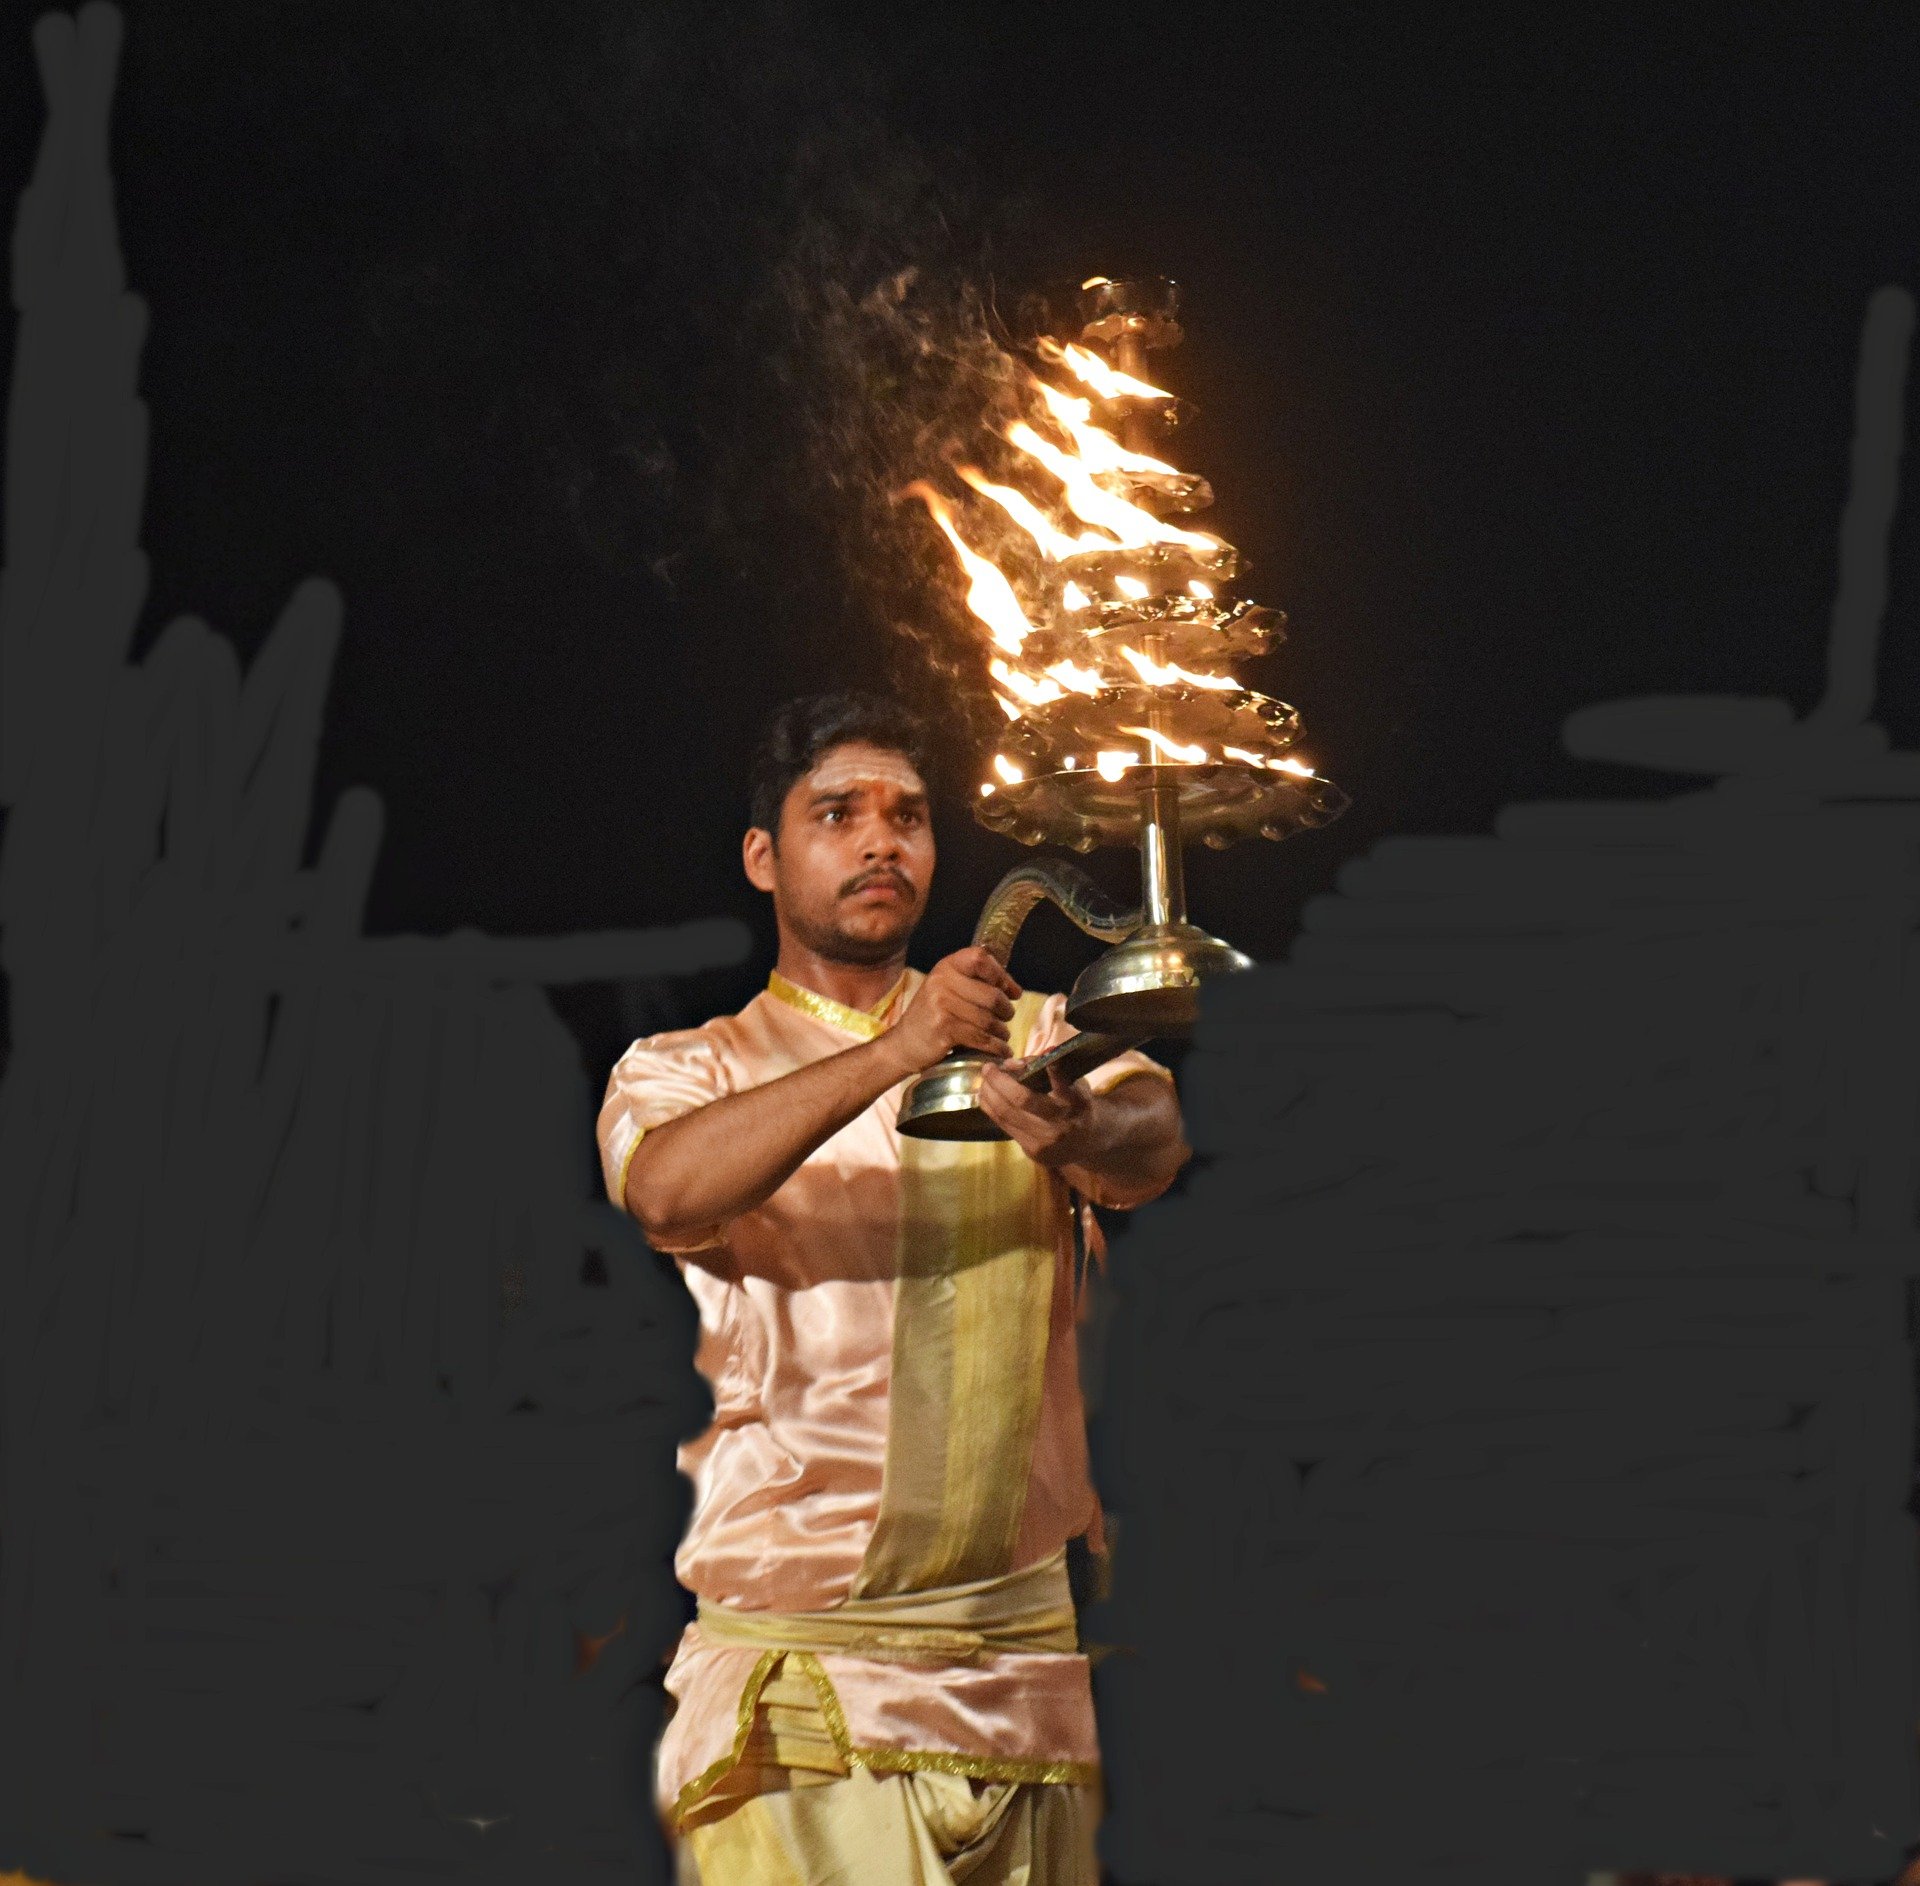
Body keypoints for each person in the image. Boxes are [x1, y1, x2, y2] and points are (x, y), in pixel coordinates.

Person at [596, 690, 1189, 1884]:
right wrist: (899, 1049)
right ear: (765, 857)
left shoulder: (1030, 1032)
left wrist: (1069, 1120)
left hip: (1022, 1669)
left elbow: (1155, 1131)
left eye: (908, 816)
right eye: (839, 814)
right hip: (807, 1684)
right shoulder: (689, 1063)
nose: (882, 841)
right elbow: (664, 1190)